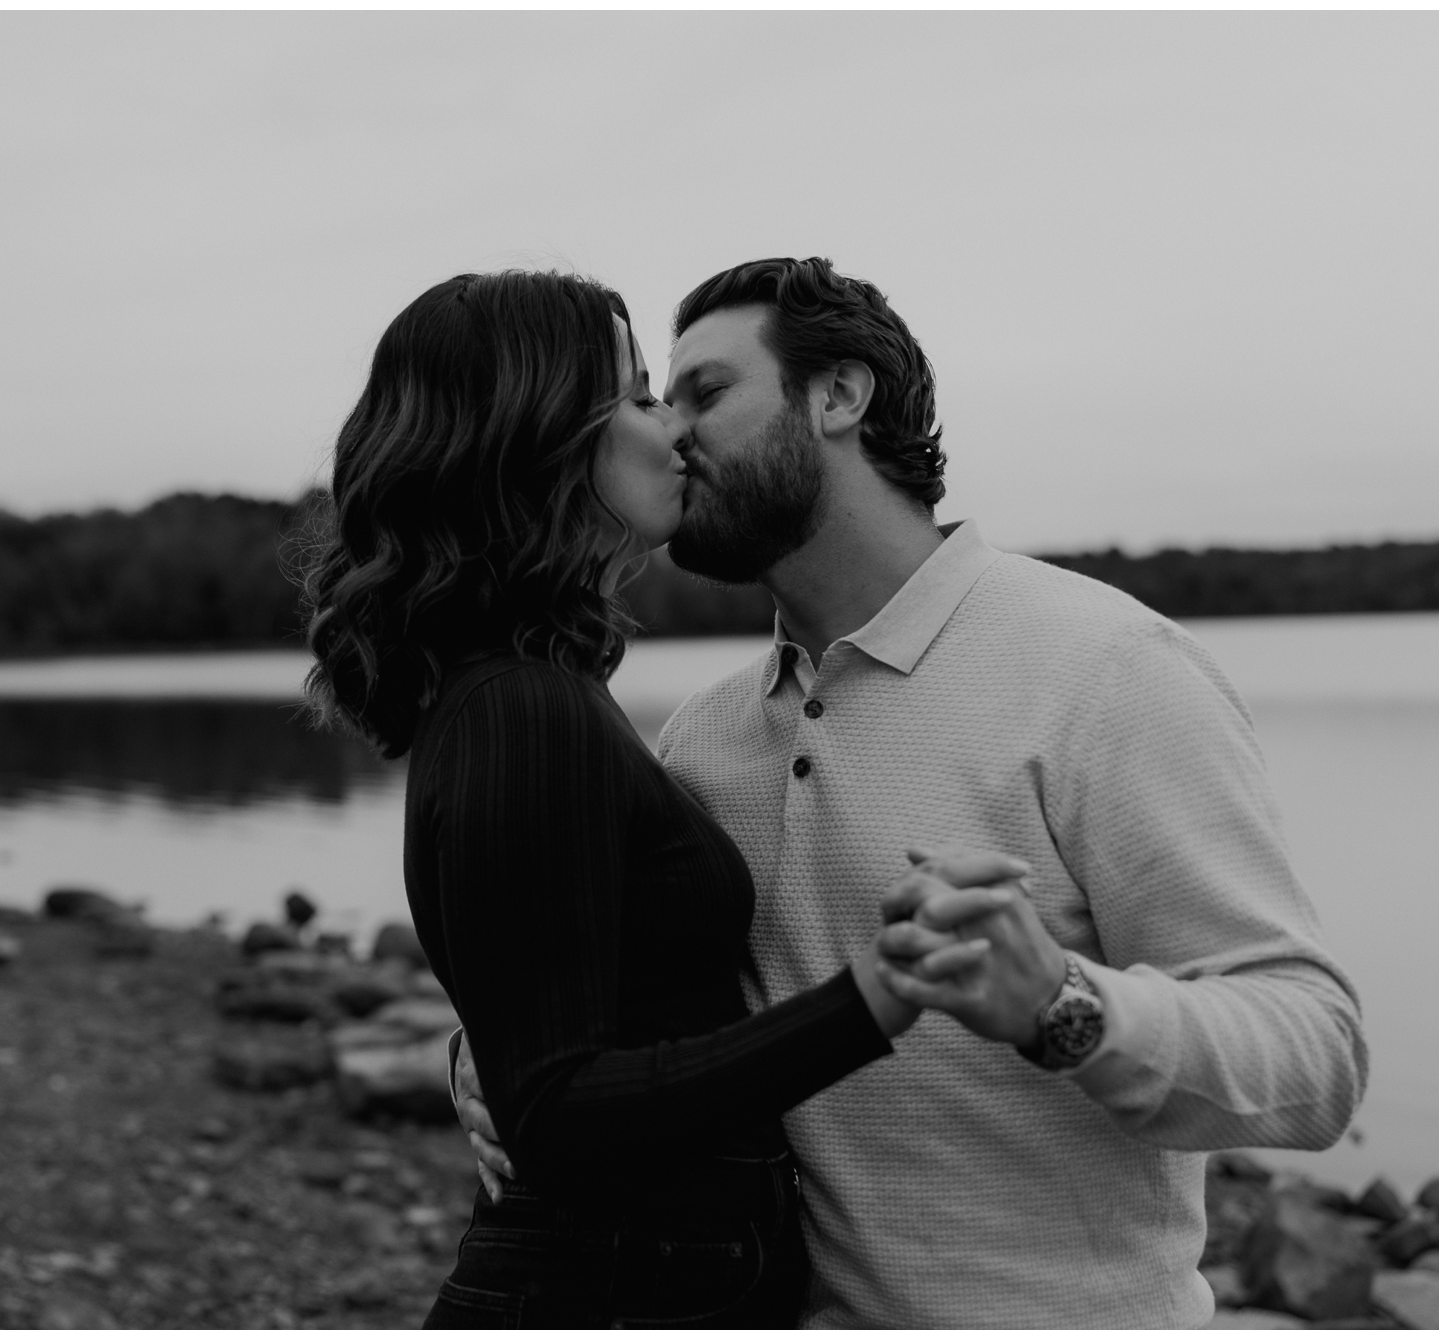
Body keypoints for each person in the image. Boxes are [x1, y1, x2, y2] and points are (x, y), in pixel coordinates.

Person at [454, 256, 1370, 1328]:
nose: (671, 433)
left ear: (839, 396)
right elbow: (608, 989)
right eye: (656, 399)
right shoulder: (702, 736)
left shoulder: (1102, 667)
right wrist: (487, 1049)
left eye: (705, 393)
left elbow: (1315, 1057)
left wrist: (1062, 1007)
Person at [300, 270, 1003, 1328]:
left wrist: (477, 1050)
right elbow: (559, 1112)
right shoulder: (519, 709)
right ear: (538, 431)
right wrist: (876, 996)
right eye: (637, 396)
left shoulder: (533, 693)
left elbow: (557, 1005)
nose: (672, 428)